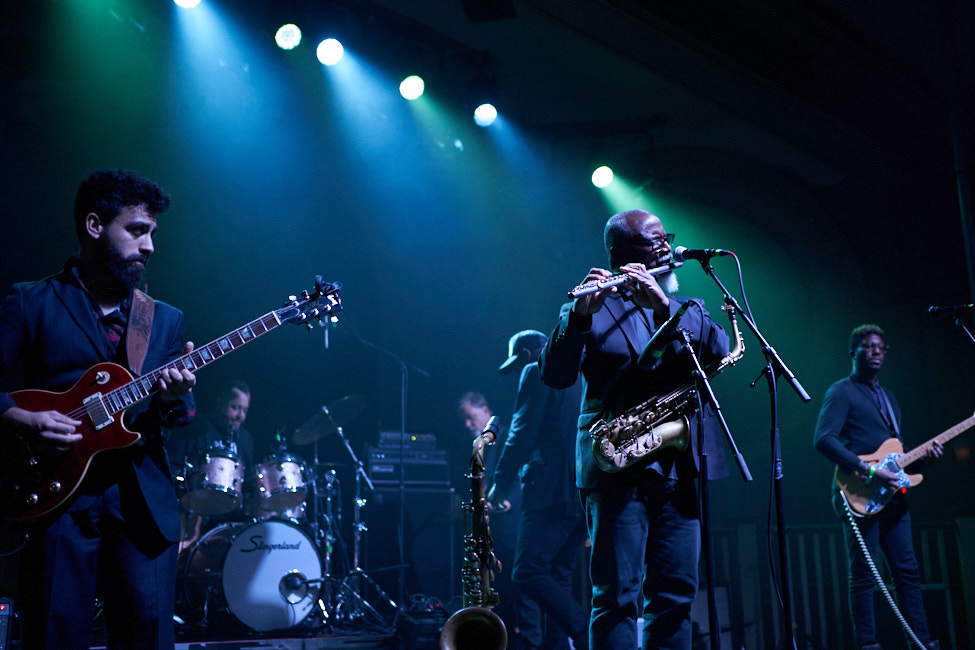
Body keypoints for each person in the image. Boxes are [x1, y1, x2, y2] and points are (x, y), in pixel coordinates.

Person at [0, 169, 197, 649]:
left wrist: (173, 399)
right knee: (53, 636)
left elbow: (183, 412)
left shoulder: (164, 319)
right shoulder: (30, 302)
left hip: (141, 503)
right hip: (56, 496)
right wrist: (20, 418)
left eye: (152, 233)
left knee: (147, 638)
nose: (148, 245)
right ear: (94, 226)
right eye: (136, 230)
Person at [539, 208, 730, 649]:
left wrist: (662, 306)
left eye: (667, 237)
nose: (666, 246)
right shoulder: (591, 305)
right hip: (617, 468)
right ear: (623, 254)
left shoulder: (684, 306)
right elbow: (554, 374)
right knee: (617, 597)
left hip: (679, 470)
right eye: (654, 240)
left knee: (676, 595)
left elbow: (720, 350)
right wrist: (579, 317)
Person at [813, 324, 941, 650]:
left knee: (908, 573)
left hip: (893, 498)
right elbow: (823, 440)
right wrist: (867, 471)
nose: (875, 351)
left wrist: (922, 460)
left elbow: (898, 457)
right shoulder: (841, 392)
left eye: (881, 347)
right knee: (864, 575)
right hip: (858, 493)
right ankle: (868, 645)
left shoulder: (889, 399)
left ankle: (920, 643)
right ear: (853, 352)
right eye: (868, 346)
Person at [489, 329, 589, 650]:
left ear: (529, 354)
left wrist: (499, 485)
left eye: (519, 364)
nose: (520, 372)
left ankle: (589, 633)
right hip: (583, 490)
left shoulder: (536, 370)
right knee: (558, 574)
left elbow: (521, 432)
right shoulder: (583, 374)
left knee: (527, 572)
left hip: (549, 490)